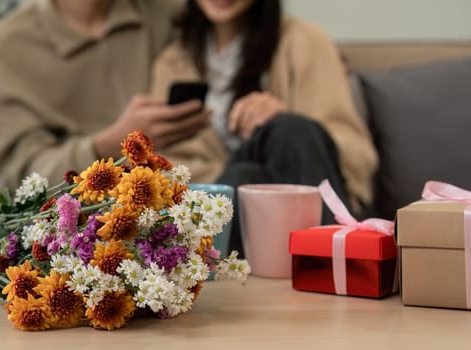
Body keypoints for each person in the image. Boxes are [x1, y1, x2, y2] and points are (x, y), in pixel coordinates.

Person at [149, 0, 378, 254]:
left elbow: (355, 152)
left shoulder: (304, 41)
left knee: (289, 130)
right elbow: (164, 165)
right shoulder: (172, 62)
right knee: (241, 179)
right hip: (226, 205)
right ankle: (343, 261)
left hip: (298, 190)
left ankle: (334, 256)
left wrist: (279, 118)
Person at [0, 0, 211, 191]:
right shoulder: (3, 47)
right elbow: (25, 176)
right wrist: (109, 145)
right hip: (57, 227)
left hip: (164, 200)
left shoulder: (172, 15)